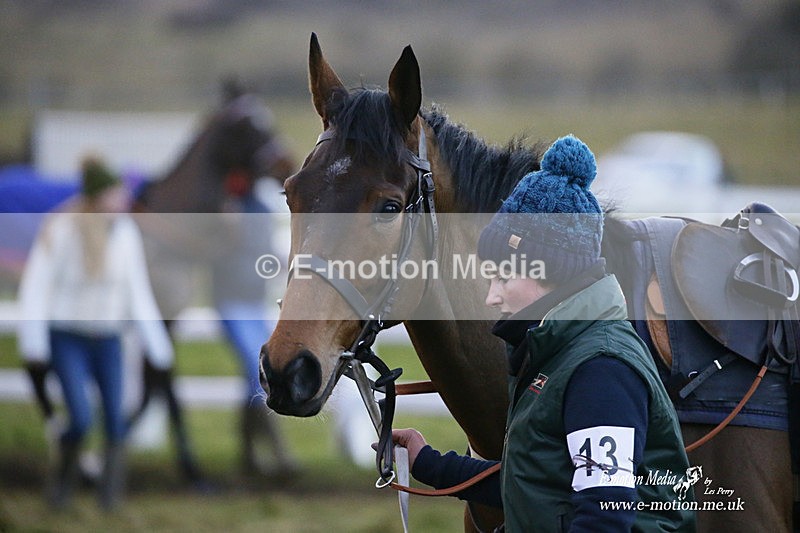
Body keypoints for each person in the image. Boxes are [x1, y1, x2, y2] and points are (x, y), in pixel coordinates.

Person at [389, 136, 696, 532]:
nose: (492, 294)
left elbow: (603, 518)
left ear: (551, 271)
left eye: (504, 275)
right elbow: (537, 484)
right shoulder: (561, 353)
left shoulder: (600, 370)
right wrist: (427, 462)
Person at [17, 157, 174, 510]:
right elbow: (36, 290)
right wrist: (34, 347)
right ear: (97, 196)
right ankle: (61, 488)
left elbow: (137, 294)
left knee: (116, 422)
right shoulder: (61, 230)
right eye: (114, 194)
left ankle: (110, 500)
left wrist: (159, 349)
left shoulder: (125, 235)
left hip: (108, 340)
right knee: (81, 417)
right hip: (67, 336)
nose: (121, 201)